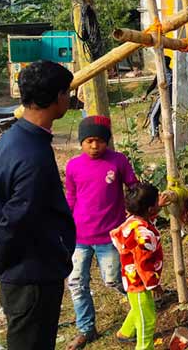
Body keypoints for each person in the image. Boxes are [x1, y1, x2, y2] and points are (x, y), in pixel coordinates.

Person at [0, 60, 76, 350]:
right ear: (57, 97)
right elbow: (16, 222)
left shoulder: (13, 139)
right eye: (67, 92)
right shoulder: (33, 156)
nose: (69, 97)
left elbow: (4, 210)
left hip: (23, 272)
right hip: (32, 278)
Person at [65, 116, 139, 349]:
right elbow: (71, 197)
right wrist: (64, 224)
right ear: (81, 142)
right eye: (89, 141)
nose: (94, 146)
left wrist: (137, 214)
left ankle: (141, 307)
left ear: (106, 141)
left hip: (110, 236)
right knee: (77, 283)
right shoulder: (73, 166)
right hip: (79, 238)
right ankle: (86, 329)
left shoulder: (118, 161)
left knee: (113, 280)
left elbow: (133, 187)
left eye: (99, 141)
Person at [110, 183, 163, 349]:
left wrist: (158, 206)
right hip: (139, 281)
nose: (158, 204)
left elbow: (146, 219)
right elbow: (143, 262)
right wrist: (153, 284)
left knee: (139, 307)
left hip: (131, 277)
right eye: (156, 202)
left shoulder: (133, 221)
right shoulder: (143, 235)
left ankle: (125, 332)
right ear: (149, 209)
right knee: (147, 319)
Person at [142, 55, 172, 142]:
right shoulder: (172, 72)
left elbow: (153, 85)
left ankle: (155, 136)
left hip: (163, 98)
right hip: (172, 98)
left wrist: (146, 94)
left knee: (153, 115)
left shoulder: (161, 73)